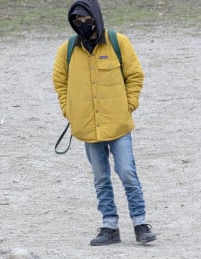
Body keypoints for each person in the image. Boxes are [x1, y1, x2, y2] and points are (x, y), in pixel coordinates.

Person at [52, 0, 157, 246]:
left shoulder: (119, 42)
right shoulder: (67, 50)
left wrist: (128, 105)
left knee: (127, 173)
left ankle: (140, 223)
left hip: (118, 125)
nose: (82, 24)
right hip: (88, 128)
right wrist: (71, 111)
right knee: (100, 177)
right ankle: (109, 226)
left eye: (86, 19)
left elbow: (135, 76)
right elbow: (60, 82)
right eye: (76, 21)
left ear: (96, 17)